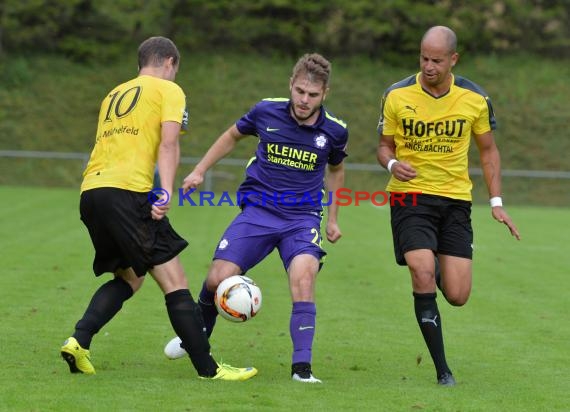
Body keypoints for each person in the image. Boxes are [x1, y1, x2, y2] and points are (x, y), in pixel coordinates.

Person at [59, 36, 257, 381]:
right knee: (176, 282)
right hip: (128, 193)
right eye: (175, 71)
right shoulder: (169, 91)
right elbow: (168, 143)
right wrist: (164, 191)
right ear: (169, 63)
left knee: (129, 277)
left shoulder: (114, 94)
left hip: (92, 192)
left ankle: (79, 340)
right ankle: (209, 370)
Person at [165, 53, 349, 383]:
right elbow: (231, 136)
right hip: (259, 211)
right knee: (216, 278)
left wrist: (333, 218)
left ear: (325, 94)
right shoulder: (266, 110)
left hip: (301, 218)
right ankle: (196, 336)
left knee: (305, 279)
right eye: (300, 92)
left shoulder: (334, 131)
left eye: (313, 95)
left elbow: (336, 170)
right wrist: (199, 170)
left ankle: (302, 370)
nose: (305, 100)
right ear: (291, 85)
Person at [376, 26, 520, 386]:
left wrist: (497, 201)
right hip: (410, 196)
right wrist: (393, 164)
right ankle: (443, 371)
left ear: (453, 59)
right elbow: (383, 146)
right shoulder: (396, 95)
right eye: (424, 58)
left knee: (457, 295)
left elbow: (488, 151)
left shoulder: (475, 98)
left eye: (437, 60)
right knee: (421, 270)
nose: (428, 66)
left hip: (456, 201)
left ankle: (432, 263)